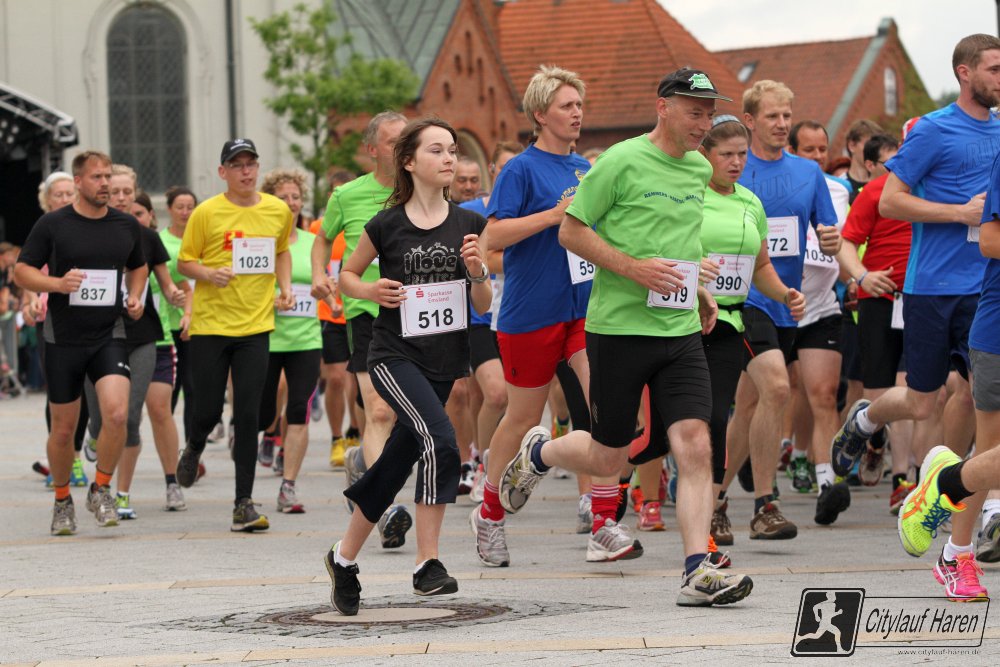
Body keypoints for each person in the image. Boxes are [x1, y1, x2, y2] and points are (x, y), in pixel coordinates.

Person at [499, 68, 754, 607]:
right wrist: (634, 269)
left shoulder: (698, 168)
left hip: (679, 330)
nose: (704, 124)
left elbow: (680, 240)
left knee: (695, 442)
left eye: (709, 114)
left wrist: (699, 291)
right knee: (609, 458)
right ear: (663, 107)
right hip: (618, 330)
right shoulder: (619, 160)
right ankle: (540, 452)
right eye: (695, 112)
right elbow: (571, 231)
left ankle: (697, 569)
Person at [835, 34, 1000, 601]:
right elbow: (889, 201)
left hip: (984, 288)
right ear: (964, 73)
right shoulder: (932, 129)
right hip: (932, 285)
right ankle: (867, 420)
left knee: (972, 394)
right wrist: (960, 213)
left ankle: (958, 500)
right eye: (994, 68)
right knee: (924, 400)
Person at [324, 117, 491, 615]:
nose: (449, 158)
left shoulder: (469, 224)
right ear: (409, 161)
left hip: (445, 359)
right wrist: (371, 289)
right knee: (441, 439)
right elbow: (347, 275)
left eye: (452, 149)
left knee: (398, 459)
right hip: (394, 354)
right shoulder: (386, 224)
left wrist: (477, 271)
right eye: (436, 150)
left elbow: (482, 301)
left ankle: (342, 558)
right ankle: (427, 564)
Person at [474, 65, 596, 568]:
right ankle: (489, 513)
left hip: (584, 310)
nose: (577, 113)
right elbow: (492, 238)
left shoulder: (586, 169)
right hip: (532, 312)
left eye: (580, 105)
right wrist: (552, 216)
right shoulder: (520, 170)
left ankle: (603, 520)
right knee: (523, 417)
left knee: (603, 407)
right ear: (541, 114)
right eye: (568, 105)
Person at [720, 81, 840, 539]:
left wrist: (832, 238)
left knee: (751, 404)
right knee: (775, 387)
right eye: (773, 116)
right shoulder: (732, 168)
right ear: (750, 120)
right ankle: (764, 503)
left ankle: (717, 498)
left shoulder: (808, 173)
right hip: (741, 301)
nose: (783, 123)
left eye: (787, 115)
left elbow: (829, 232)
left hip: (787, 301)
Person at [14, 150, 147, 535]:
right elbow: (22, 271)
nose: (105, 184)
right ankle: (61, 500)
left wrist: (134, 295)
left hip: (109, 333)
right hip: (64, 338)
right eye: (96, 177)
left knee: (117, 415)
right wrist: (57, 284)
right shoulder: (53, 224)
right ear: (78, 182)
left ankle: (101, 489)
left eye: (108, 176)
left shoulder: (125, 224)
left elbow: (138, 266)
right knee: (63, 429)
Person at [692, 115, 805, 548]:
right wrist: (692, 270)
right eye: (727, 154)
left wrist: (785, 294)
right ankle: (712, 503)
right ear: (705, 155)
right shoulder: (689, 197)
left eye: (742, 154)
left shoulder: (750, 202)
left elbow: (761, 267)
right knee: (713, 414)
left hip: (744, 311)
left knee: (776, 387)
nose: (737, 162)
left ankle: (763, 505)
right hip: (696, 316)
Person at [175, 138, 294, 532]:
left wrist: (285, 287)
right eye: (237, 165)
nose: (245, 171)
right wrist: (209, 273)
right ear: (222, 172)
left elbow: (281, 251)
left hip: (255, 327)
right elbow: (185, 262)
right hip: (211, 326)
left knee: (248, 414)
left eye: (251, 164)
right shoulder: (207, 213)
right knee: (208, 410)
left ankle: (243, 503)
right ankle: (194, 445)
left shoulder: (276, 210)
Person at [312, 112, 416, 549]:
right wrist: (319, 274)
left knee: (410, 416)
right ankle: (386, 507)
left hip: (417, 312)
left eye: (408, 140)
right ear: (372, 149)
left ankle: (362, 463)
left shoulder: (426, 190)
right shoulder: (347, 195)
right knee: (378, 411)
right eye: (393, 142)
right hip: (366, 313)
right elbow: (323, 238)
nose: (403, 148)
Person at [81, 166, 186, 520]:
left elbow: (167, 284)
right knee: (102, 420)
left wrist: (176, 297)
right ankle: (94, 437)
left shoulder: (146, 236)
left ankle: (119, 493)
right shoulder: (86, 232)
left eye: (128, 192)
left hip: (142, 335)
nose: (122, 197)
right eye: (116, 192)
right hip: (97, 335)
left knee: (129, 417)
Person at [836, 133, 915, 511]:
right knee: (880, 394)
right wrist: (863, 276)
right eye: (891, 160)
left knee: (910, 388)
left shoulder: (930, 189)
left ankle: (902, 480)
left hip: (919, 301)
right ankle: (874, 435)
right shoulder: (874, 192)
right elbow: (846, 242)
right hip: (878, 301)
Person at [784, 120, 853, 524]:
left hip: (821, 306)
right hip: (774, 305)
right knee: (768, 394)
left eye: (822, 149)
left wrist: (856, 278)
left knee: (824, 395)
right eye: (808, 150)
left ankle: (828, 484)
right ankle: (737, 482)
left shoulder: (840, 191)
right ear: (792, 151)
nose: (817, 157)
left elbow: (844, 244)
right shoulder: (778, 182)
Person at [460, 141, 523, 504]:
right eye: (505, 168)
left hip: (519, 314)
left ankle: (499, 463)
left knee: (516, 404)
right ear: (494, 171)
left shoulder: (531, 211)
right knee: (494, 394)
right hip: (480, 316)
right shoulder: (470, 212)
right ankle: (483, 466)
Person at [258, 168, 323, 513]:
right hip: (266, 338)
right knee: (264, 412)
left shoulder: (313, 243)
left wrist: (327, 291)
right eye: (283, 197)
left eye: (295, 197)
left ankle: (288, 486)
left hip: (305, 339)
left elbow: (323, 281)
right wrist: (271, 299)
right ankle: (265, 437)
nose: (291, 203)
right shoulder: (260, 242)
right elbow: (245, 288)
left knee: (299, 410)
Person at [23, 172, 90, 488]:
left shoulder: (87, 227)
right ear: (46, 200)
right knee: (59, 393)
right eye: (58, 194)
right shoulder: (42, 230)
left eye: (68, 193)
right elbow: (26, 272)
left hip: (87, 317)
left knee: (86, 395)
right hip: (51, 319)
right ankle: (63, 460)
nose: (64, 199)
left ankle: (75, 453)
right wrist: (31, 301)